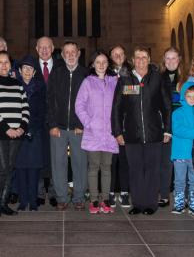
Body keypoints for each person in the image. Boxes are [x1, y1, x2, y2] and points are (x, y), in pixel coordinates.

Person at [112, 46, 170, 215]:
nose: (141, 61)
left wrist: (167, 130)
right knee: (135, 170)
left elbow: (166, 106)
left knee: (152, 170)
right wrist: (117, 132)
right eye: (138, 57)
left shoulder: (157, 78)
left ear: (149, 59)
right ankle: (137, 203)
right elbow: (116, 108)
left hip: (154, 134)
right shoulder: (125, 80)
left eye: (144, 57)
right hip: (131, 133)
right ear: (133, 60)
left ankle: (150, 204)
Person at [0, 50, 30, 217]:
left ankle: (3, 203)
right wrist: (7, 128)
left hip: (17, 133)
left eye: (7, 62)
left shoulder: (17, 84)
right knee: (2, 168)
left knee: (10, 168)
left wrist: (22, 127)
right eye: (0, 62)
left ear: (11, 65)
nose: (4, 65)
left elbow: (25, 107)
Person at [46, 41, 88, 210]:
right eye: (66, 52)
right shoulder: (56, 74)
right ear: (62, 55)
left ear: (78, 53)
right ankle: (61, 197)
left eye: (73, 52)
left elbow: (89, 103)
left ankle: (78, 197)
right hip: (59, 127)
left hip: (79, 128)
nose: (70, 55)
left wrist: (81, 123)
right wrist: (53, 124)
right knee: (58, 163)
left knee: (80, 163)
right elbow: (49, 100)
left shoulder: (86, 74)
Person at [75, 50, 119, 214]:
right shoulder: (88, 82)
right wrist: (89, 122)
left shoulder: (114, 81)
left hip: (109, 132)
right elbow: (79, 105)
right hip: (93, 132)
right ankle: (94, 199)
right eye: (98, 62)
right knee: (93, 166)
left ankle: (105, 199)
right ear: (93, 64)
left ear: (108, 64)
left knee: (106, 166)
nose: (101, 65)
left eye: (104, 62)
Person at [15, 56, 47, 211]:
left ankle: (33, 201)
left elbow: (43, 112)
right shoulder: (14, 87)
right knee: (20, 167)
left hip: (36, 132)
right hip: (18, 133)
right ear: (20, 71)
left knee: (34, 167)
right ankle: (23, 200)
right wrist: (20, 129)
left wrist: (33, 129)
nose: (27, 71)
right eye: (24, 68)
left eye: (30, 68)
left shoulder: (41, 88)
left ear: (34, 72)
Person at [171, 82, 194, 215]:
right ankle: (179, 202)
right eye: (189, 96)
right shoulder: (177, 113)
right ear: (183, 96)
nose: (192, 99)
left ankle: (193, 201)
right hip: (180, 152)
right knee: (179, 179)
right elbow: (177, 130)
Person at [32, 37, 58, 207]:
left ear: (53, 48)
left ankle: (56, 191)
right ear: (36, 49)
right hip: (37, 121)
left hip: (56, 121)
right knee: (38, 156)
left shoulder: (62, 67)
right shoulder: (29, 67)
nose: (44, 50)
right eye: (41, 47)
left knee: (56, 157)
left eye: (47, 47)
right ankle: (40, 192)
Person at [157, 47, 182, 208]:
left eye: (174, 58)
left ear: (179, 59)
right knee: (165, 162)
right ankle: (164, 194)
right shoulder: (158, 78)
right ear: (164, 61)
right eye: (168, 58)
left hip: (183, 125)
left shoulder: (186, 78)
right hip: (165, 125)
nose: (171, 61)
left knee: (183, 161)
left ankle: (183, 195)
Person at [108, 44, 132, 207]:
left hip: (125, 121)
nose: (118, 56)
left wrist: (122, 85)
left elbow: (134, 92)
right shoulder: (105, 71)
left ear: (125, 55)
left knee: (124, 160)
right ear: (111, 57)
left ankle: (124, 192)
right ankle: (110, 192)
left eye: (121, 53)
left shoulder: (130, 72)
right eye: (115, 54)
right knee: (111, 160)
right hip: (107, 122)